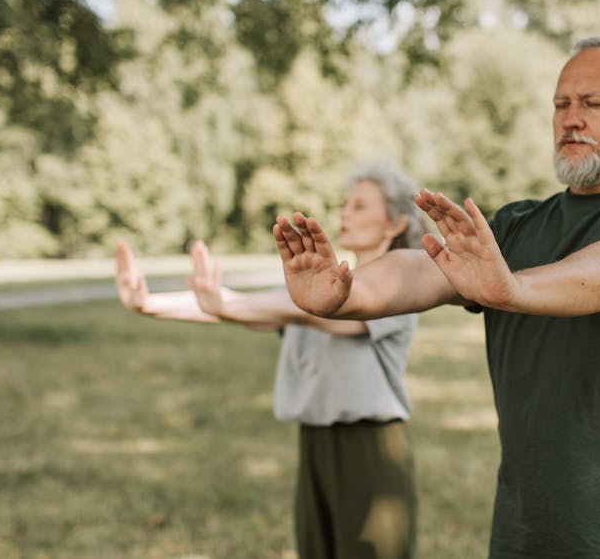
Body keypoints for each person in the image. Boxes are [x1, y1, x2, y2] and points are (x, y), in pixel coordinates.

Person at [273, 36, 600, 558]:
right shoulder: (517, 228)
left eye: (593, 103)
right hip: (524, 535)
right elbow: (424, 268)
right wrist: (346, 297)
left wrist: (514, 289)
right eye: (561, 104)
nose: (571, 119)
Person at [115, 161, 426, 559]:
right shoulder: (314, 287)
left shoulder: (401, 285)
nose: (345, 212)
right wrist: (147, 304)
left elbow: (310, 312)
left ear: (395, 223)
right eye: (345, 203)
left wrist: (227, 301)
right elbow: (255, 308)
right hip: (314, 440)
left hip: (370, 447)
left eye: (361, 205)